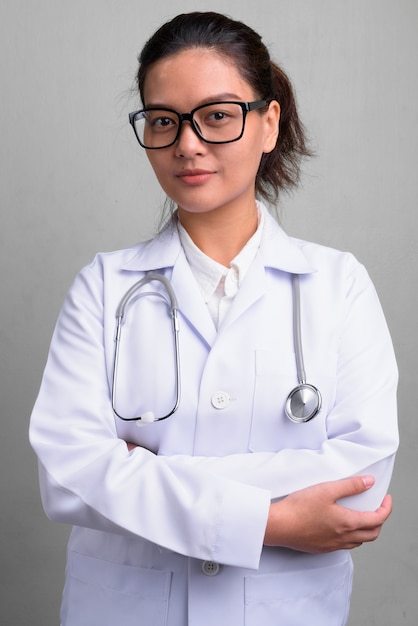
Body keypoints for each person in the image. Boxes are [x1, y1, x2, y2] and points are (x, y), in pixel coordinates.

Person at [29, 11, 398, 626]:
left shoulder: (338, 285)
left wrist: (142, 474)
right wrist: (272, 521)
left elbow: (359, 471)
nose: (188, 144)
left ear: (269, 123)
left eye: (218, 116)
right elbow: (68, 475)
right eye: (164, 120)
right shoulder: (104, 286)